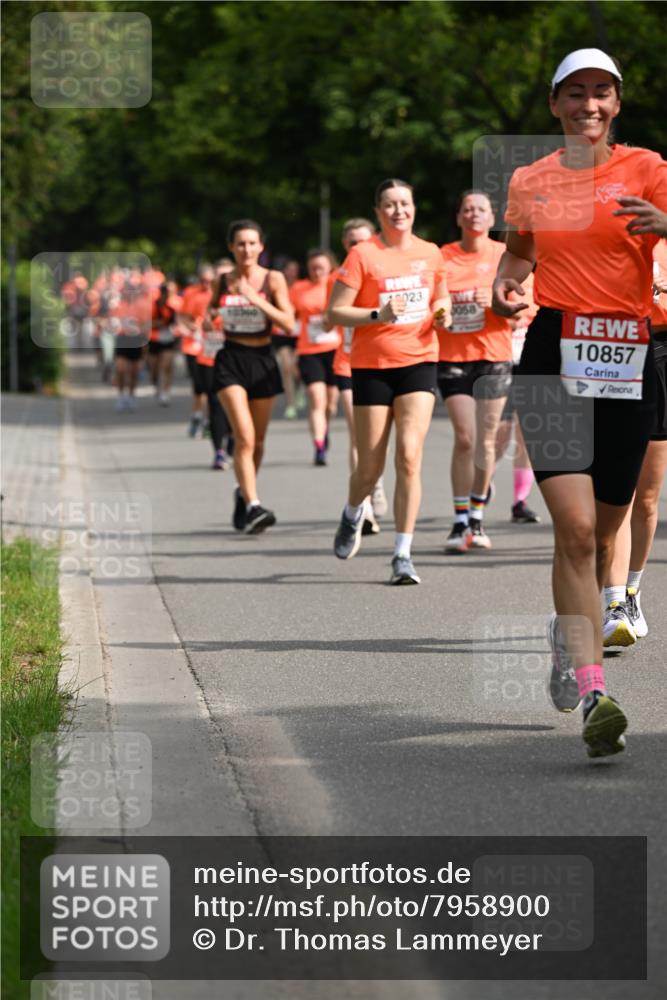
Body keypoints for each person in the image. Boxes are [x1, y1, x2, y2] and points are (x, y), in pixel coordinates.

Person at [492, 48, 667, 758]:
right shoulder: (529, 180)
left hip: (627, 356)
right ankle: (594, 691)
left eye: (600, 93)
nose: (587, 104)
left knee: (601, 537)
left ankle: (567, 637)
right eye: (574, 93)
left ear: (616, 103)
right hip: (553, 353)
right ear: (553, 104)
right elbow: (518, 256)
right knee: (569, 529)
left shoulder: (649, 168)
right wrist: (506, 285)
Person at [328, 178, 450, 584]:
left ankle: (403, 553)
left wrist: (443, 310)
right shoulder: (364, 254)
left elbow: (440, 294)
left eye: (405, 203)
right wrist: (378, 314)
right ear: (379, 211)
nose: (399, 210)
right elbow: (336, 312)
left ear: (414, 208)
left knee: (410, 457)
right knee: (370, 465)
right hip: (372, 365)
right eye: (390, 204)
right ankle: (351, 512)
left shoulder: (430, 253)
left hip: (419, 360)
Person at [438, 191, 514, 552]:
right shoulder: (442, 257)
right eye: (467, 209)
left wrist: (498, 303)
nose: (473, 214)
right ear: (459, 217)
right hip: (452, 355)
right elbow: (431, 301)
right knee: (465, 437)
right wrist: (441, 313)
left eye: (480, 209)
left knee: (485, 441)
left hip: (493, 356)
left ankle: (477, 518)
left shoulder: (504, 255)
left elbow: (526, 305)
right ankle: (458, 521)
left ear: (491, 216)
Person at [601, 237, 667, 645]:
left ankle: (631, 590)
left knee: (646, 496)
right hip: (615, 349)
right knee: (616, 490)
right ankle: (611, 604)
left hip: (662, 352)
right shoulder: (613, 235)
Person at [211, 219, 294, 533]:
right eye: (240, 244)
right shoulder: (221, 281)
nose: (246, 249)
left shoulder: (273, 279)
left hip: (262, 359)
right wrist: (208, 320)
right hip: (230, 359)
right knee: (243, 437)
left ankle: (243, 493)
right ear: (231, 247)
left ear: (261, 247)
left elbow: (288, 323)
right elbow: (209, 312)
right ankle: (255, 506)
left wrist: (254, 298)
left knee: (258, 442)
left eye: (252, 243)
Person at [328, 217, 387, 534]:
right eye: (352, 243)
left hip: (383, 361)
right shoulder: (337, 278)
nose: (358, 247)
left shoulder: (385, 270)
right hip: (348, 363)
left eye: (363, 241)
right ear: (345, 246)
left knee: (378, 443)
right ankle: (364, 506)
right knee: (357, 435)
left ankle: (374, 482)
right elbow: (326, 319)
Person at [494, 270, 542, 524]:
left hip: (530, 362)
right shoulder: (497, 275)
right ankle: (482, 485)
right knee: (500, 435)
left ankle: (519, 502)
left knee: (526, 436)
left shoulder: (542, 277)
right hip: (501, 361)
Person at [292, 250, 341, 465]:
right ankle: (319, 445)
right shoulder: (298, 288)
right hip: (309, 351)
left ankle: (324, 427)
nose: (316, 271)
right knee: (316, 398)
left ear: (330, 267)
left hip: (335, 349)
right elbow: (290, 317)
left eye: (321, 267)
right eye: (313, 267)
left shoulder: (338, 284)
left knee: (331, 404)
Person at [179, 265, 217, 437]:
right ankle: (197, 415)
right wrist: (191, 325)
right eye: (203, 281)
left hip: (211, 346)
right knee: (198, 385)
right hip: (193, 345)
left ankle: (209, 419)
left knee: (211, 386)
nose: (207, 285)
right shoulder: (190, 293)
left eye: (210, 281)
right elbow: (182, 316)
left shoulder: (218, 294)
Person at [271, 259, 301, 419]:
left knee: (296, 369)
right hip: (281, 333)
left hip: (299, 334)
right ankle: (291, 404)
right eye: (289, 269)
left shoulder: (302, 286)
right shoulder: (277, 288)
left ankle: (299, 387)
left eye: (295, 269)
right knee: (286, 367)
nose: (292, 273)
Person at [148, 280, 182, 405]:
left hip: (168, 339)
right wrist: (157, 324)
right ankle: (155, 383)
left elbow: (177, 322)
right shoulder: (152, 306)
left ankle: (166, 392)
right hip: (154, 338)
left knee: (167, 365)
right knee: (154, 367)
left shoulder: (171, 308)